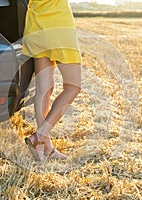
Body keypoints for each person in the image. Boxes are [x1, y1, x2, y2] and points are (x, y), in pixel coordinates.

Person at [22, 0, 82, 161]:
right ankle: (40, 136)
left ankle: (44, 146)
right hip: (59, 25)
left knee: (44, 89)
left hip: (35, 25)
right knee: (73, 86)